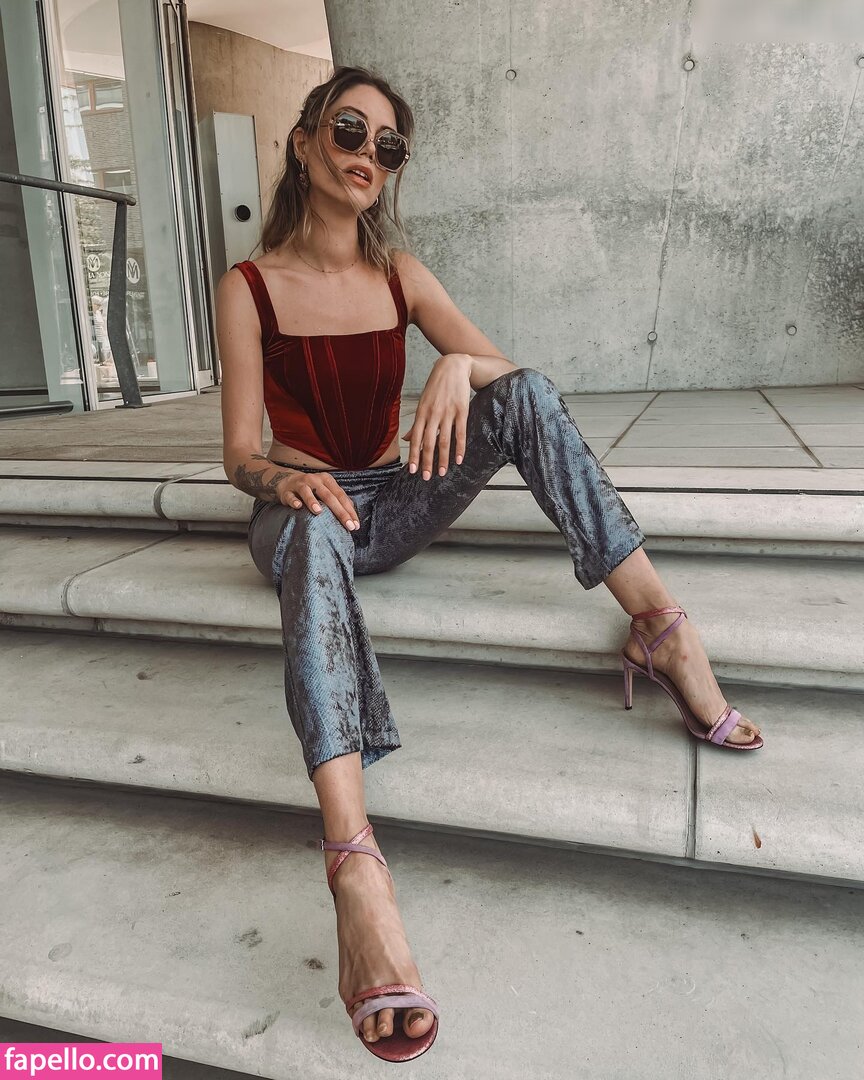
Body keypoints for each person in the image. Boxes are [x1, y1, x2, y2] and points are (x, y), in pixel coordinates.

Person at [215, 65, 762, 1062]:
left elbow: (514, 380)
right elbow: (239, 454)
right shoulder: (247, 287)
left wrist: (460, 366)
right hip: (298, 515)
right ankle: (356, 868)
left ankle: (660, 624)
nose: (368, 154)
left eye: (388, 145)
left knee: (526, 395)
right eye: (349, 130)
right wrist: (285, 480)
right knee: (314, 526)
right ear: (304, 140)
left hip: (392, 498)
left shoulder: (400, 274)